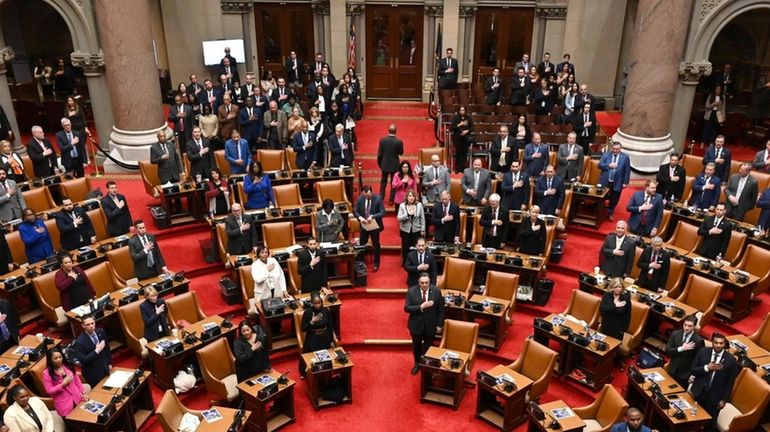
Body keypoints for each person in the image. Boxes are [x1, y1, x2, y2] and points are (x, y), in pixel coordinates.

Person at [690, 332, 738, 430]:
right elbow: (693, 369)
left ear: (724, 344)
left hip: (715, 397)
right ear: (712, 342)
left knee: (710, 424)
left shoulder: (731, 360)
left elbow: (730, 382)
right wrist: (707, 367)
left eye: (721, 343)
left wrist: (724, 399)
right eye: (716, 343)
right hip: (699, 391)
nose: (718, 345)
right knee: (694, 419)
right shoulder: (703, 352)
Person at [405, 273, 445, 375]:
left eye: (426, 282)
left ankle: (427, 366)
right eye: (422, 283)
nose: (424, 285)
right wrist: (421, 307)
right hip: (416, 326)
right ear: (418, 283)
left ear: (429, 281)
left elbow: (441, 309)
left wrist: (440, 325)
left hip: (430, 325)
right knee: (417, 347)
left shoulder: (436, 291)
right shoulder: (412, 291)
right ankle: (417, 364)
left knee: (428, 347)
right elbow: (407, 308)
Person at [42, 347, 88, 418]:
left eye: (60, 357)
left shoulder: (68, 366)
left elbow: (76, 380)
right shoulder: (46, 373)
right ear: (50, 360)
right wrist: (63, 384)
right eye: (55, 358)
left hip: (77, 398)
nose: (59, 360)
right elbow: (49, 391)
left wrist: (83, 392)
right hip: (64, 404)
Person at [299, 292, 335, 378]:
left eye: (319, 303)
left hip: (324, 337)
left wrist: (331, 340)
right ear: (311, 303)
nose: (318, 305)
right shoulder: (307, 313)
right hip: (313, 337)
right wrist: (312, 322)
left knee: (326, 357)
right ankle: (304, 373)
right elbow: (303, 329)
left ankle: (325, 371)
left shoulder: (326, 310)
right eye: (315, 303)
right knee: (309, 357)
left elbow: (330, 326)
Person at [664, 315, 705, 387]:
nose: (686, 328)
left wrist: (693, 374)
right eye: (685, 325)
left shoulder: (698, 341)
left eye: (690, 326)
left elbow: (699, 360)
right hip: (672, 369)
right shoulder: (675, 334)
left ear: (694, 327)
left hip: (685, 375)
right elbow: (667, 351)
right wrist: (681, 348)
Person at [74, 315, 112, 388]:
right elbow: (83, 360)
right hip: (93, 374)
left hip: (105, 368)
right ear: (83, 326)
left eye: (92, 323)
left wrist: (109, 363)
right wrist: (96, 351)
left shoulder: (101, 331)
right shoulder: (79, 341)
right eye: (87, 324)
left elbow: (107, 348)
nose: (91, 326)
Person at [355, 186, 385, 272]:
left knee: (376, 244)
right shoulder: (360, 199)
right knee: (362, 243)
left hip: (374, 226)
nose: (367, 197)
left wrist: (372, 216)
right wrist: (360, 218)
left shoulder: (378, 199)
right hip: (364, 225)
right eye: (365, 196)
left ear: (371, 192)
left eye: (368, 195)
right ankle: (360, 262)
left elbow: (383, 212)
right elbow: (355, 211)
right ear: (363, 193)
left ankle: (376, 263)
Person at [598, 142, 631, 219]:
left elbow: (627, 170)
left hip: (618, 182)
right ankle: (600, 211)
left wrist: (625, 182)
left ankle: (610, 212)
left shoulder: (625, 157)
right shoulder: (606, 155)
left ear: (620, 148)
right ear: (611, 148)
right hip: (605, 181)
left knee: (615, 198)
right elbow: (599, 165)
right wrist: (608, 165)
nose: (615, 151)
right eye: (614, 149)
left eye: (617, 149)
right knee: (602, 196)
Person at [377, 124, 404, 203]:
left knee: (383, 182)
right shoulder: (398, 142)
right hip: (394, 165)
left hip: (384, 164)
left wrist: (380, 163)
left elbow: (379, 154)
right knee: (393, 182)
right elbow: (401, 152)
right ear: (396, 131)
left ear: (388, 130)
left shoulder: (382, 140)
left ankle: (381, 198)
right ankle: (391, 200)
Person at [397, 190, 425, 263]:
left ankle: (414, 261)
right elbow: (399, 218)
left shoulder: (419, 205)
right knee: (406, 247)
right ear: (406, 197)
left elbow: (422, 218)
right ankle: (406, 262)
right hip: (405, 230)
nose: (411, 198)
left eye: (412, 196)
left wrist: (422, 229)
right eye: (409, 196)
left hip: (416, 229)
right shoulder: (402, 206)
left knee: (415, 247)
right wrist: (406, 215)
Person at [451, 107, 473, 173]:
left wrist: (467, 131)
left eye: (463, 110)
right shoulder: (456, 118)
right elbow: (452, 127)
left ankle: (463, 168)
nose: (462, 111)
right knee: (458, 153)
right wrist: (460, 124)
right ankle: (457, 168)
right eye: (461, 110)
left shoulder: (468, 118)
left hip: (466, 138)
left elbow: (472, 127)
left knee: (464, 154)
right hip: (458, 138)